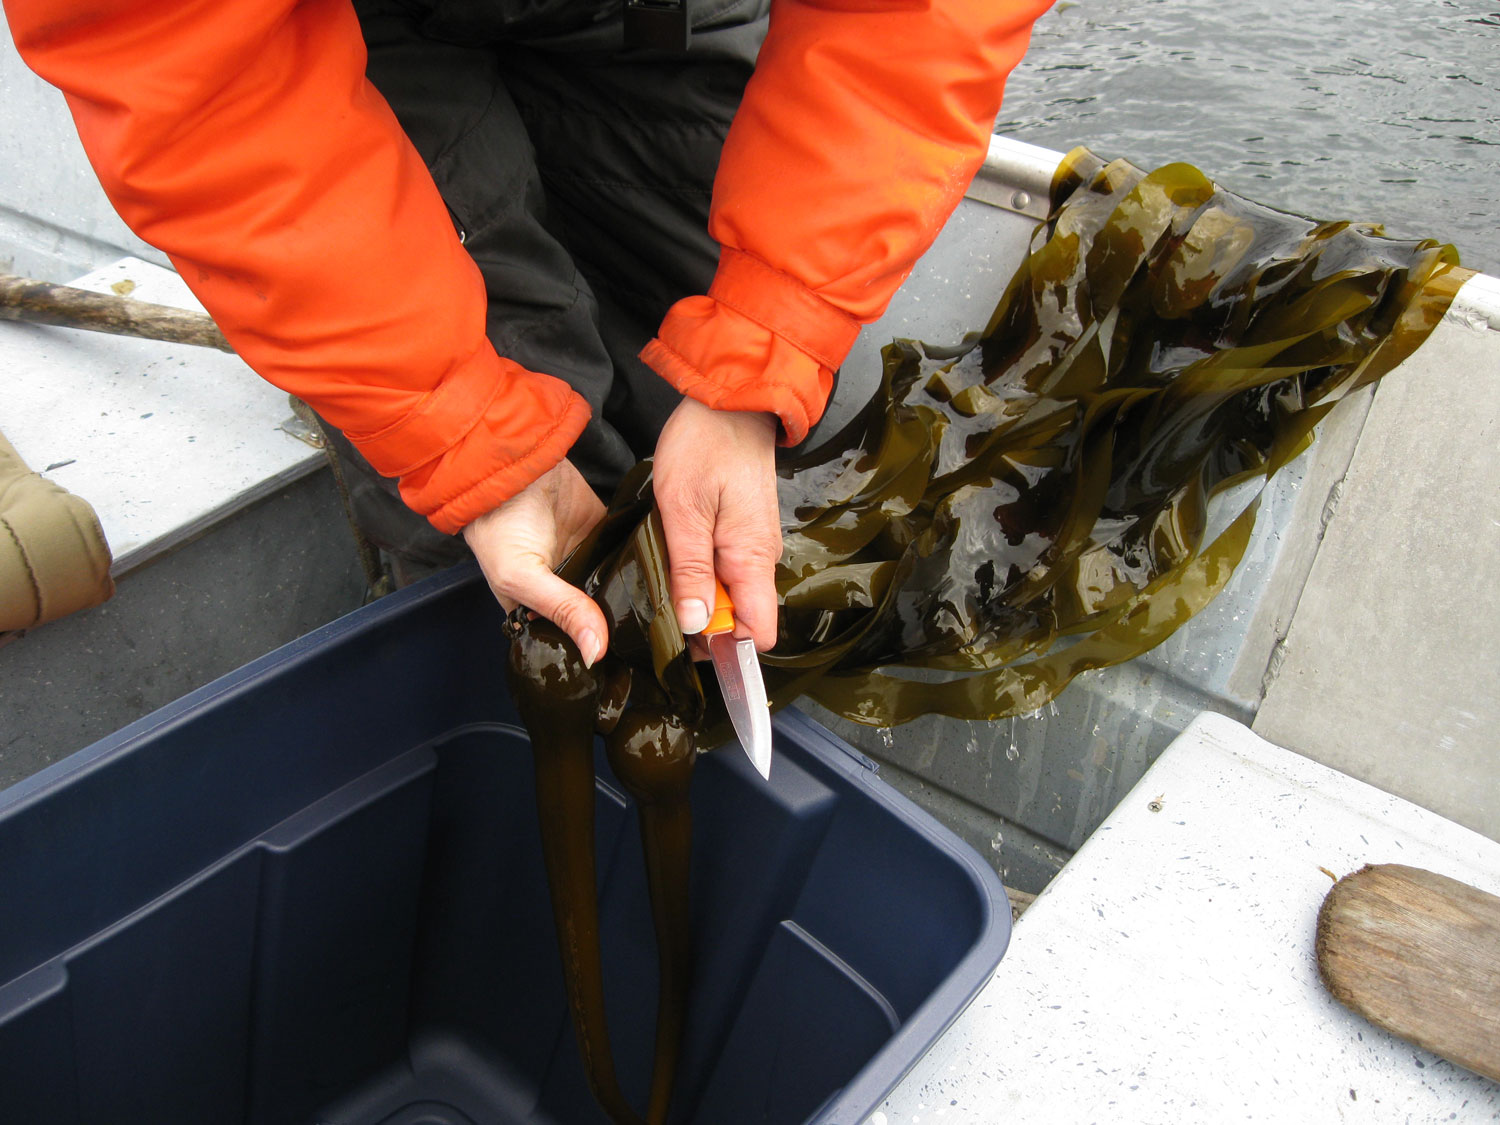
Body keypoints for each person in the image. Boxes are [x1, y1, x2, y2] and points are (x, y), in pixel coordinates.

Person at [5, 0, 1051, 666]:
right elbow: (173, 53)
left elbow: (922, 24)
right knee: (493, 537)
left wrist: (758, 353)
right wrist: (467, 442)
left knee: (729, 451)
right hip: (319, 28)